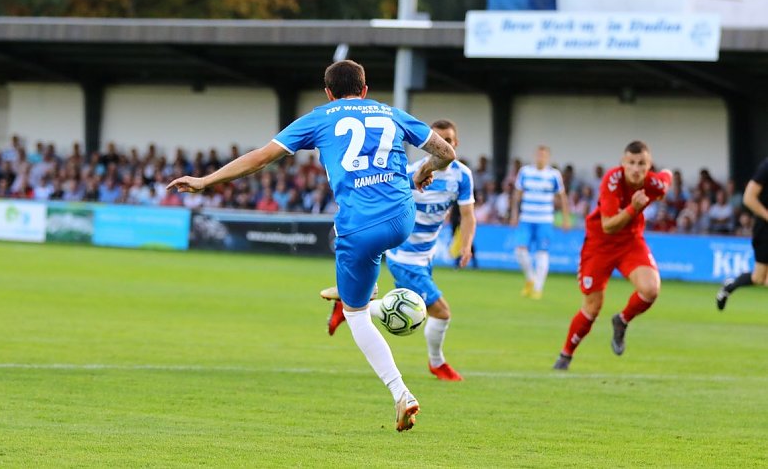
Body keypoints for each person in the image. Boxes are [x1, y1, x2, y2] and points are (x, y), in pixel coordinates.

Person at [167, 60, 455, 431]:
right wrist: (423, 170)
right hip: (402, 217)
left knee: (356, 313)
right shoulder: (391, 113)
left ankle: (401, 393)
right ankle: (358, 291)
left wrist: (207, 180)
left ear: (329, 93)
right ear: (365, 90)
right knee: (367, 249)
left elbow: (260, 158)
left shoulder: (321, 117)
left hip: (359, 228)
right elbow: (446, 152)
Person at [321, 119, 475, 382]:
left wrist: (466, 244)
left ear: (455, 143)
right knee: (441, 312)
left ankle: (348, 305)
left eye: (448, 141)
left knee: (426, 310)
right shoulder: (410, 173)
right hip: (404, 257)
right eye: (438, 140)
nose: (443, 145)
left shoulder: (462, 176)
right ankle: (437, 364)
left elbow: (468, 214)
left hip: (426, 256)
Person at [553, 141, 671, 370]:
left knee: (651, 289)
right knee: (593, 306)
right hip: (600, 244)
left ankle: (622, 320)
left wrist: (661, 190)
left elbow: (667, 178)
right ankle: (566, 355)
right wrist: (633, 209)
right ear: (622, 163)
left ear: (649, 166)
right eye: (632, 163)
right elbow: (608, 226)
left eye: (642, 164)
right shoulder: (612, 180)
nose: (636, 169)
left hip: (631, 242)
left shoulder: (653, 183)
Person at [510, 145, 571, 299]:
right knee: (520, 251)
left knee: (542, 253)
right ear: (534, 156)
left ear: (548, 158)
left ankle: (538, 288)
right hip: (526, 218)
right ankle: (531, 278)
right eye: (538, 155)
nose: (540, 158)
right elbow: (517, 194)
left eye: (543, 155)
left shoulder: (553, 175)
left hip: (544, 220)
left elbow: (562, 197)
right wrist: (514, 214)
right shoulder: (525, 172)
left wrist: (565, 218)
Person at [715, 156, 768, 310]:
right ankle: (730, 286)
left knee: (761, 278)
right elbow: (748, 198)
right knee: (759, 278)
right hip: (764, 229)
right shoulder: (766, 167)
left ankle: (730, 286)